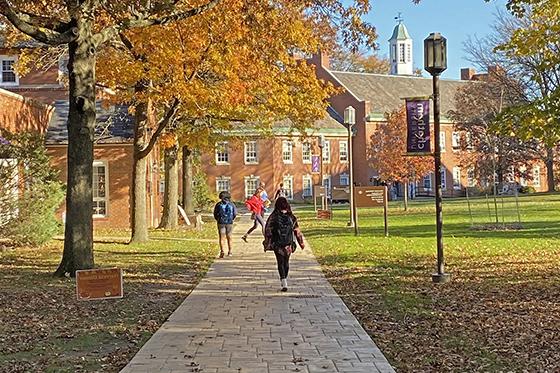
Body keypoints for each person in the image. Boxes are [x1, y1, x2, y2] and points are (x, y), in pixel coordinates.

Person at [263, 197, 305, 292]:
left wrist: (267, 242)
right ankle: (285, 277)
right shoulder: (291, 217)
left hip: (277, 244)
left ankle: (283, 280)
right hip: (288, 244)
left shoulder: (273, 216)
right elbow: (297, 231)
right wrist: (301, 243)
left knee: (280, 262)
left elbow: (268, 231)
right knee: (286, 262)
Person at [213, 191, 237, 258]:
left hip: (221, 222)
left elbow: (215, 214)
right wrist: (232, 219)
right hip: (229, 222)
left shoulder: (218, 204)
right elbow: (235, 213)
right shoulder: (232, 204)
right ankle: (230, 251)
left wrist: (218, 219)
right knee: (229, 237)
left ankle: (222, 251)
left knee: (222, 237)